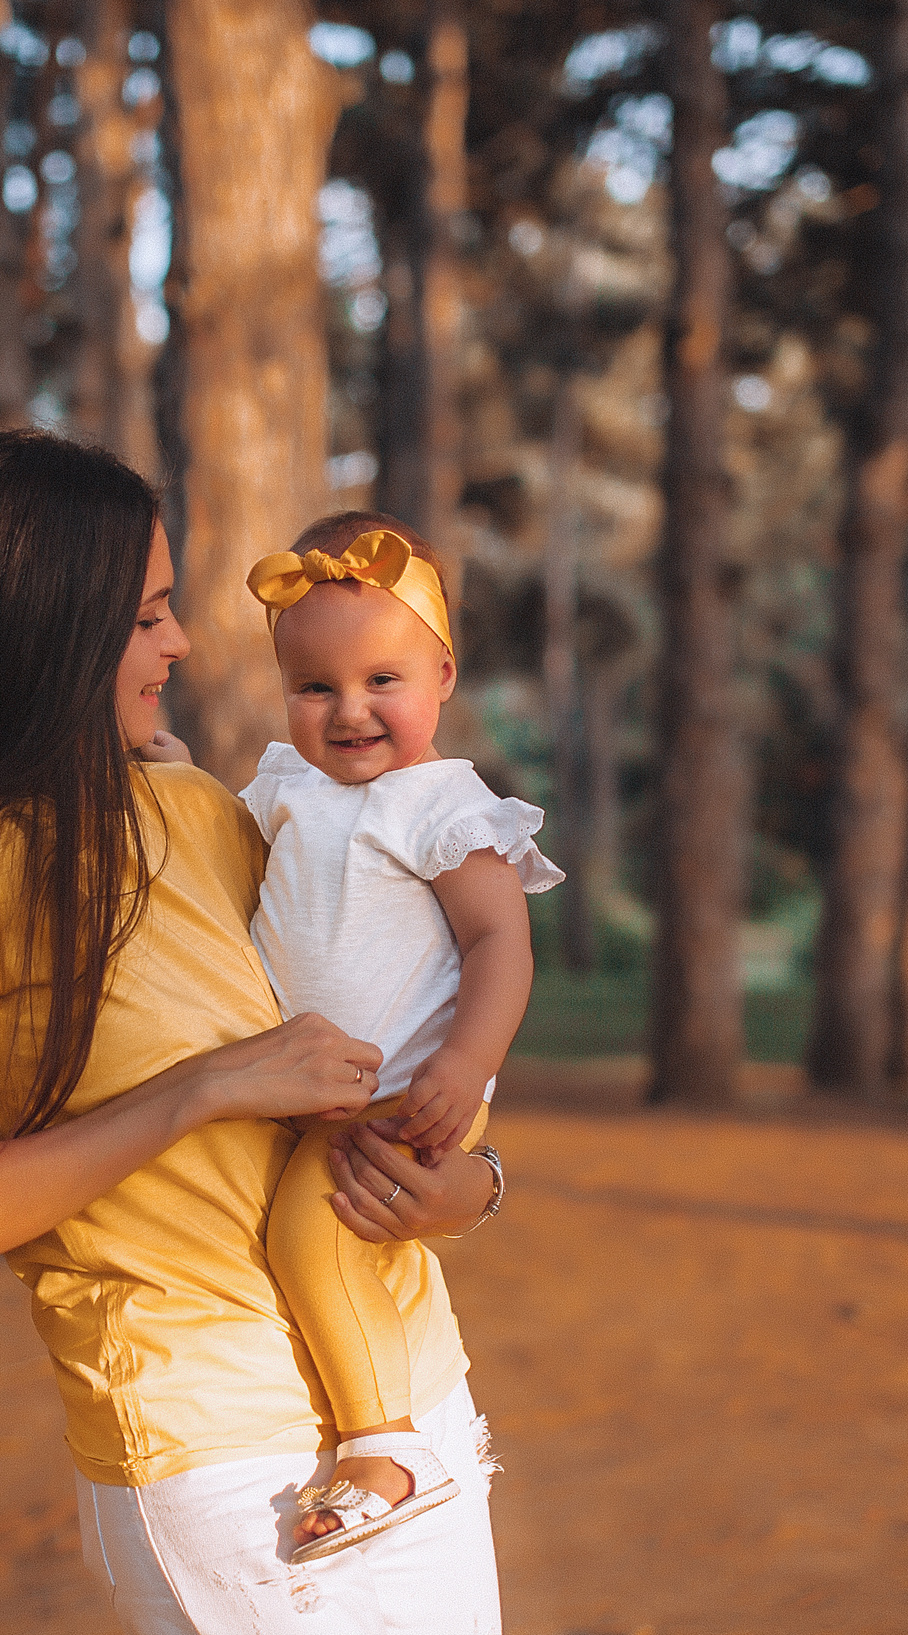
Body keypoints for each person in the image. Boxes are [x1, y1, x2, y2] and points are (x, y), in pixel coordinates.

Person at [0, 431, 507, 1635]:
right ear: (47, 627)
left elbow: (400, 1018)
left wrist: (473, 1183)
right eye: (149, 613)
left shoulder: (207, 812)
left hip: (408, 1392)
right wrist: (206, 1088)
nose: (185, 646)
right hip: (212, 1443)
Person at [240, 515, 561, 1562]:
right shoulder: (282, 783)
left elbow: (497, 942)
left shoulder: (437, 802)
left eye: (384, 680)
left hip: (406, 1084)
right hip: (311, 1081)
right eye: (315, 687)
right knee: (295, 1233)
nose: (349, 712)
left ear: (442, 674)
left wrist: (464, 1069)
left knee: (310, 1230)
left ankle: (384, 1448)